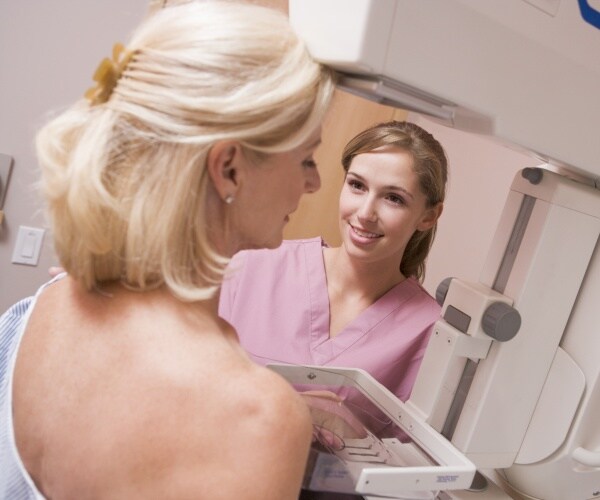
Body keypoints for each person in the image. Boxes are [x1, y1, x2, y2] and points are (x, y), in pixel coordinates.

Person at [0, 2, 335, 499]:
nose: (316, 182)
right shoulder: (257, 418)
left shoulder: (39, 308)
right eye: (306, 158)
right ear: (229, 169)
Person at [220, 119, 447, 407]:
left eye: (393, 198)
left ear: (428, 216)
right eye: (357, 185)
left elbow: (405, 447)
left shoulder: (428, 330)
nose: (365, 213)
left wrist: (344, 427)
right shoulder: (252, 265)